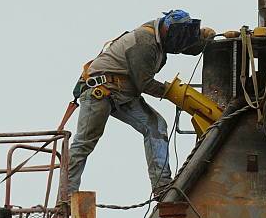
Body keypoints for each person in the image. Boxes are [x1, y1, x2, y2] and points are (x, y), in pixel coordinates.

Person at [68, 10, 215, 196]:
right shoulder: (145, 42)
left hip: (124, 93)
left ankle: (162, 185)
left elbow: (184, 47)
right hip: (100, 91)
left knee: (156, 126)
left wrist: (203, 39)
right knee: (84, 142)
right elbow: (144, 83)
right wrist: (174, 94)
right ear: (168, 30)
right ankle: (66, 195)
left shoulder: (163, 37)